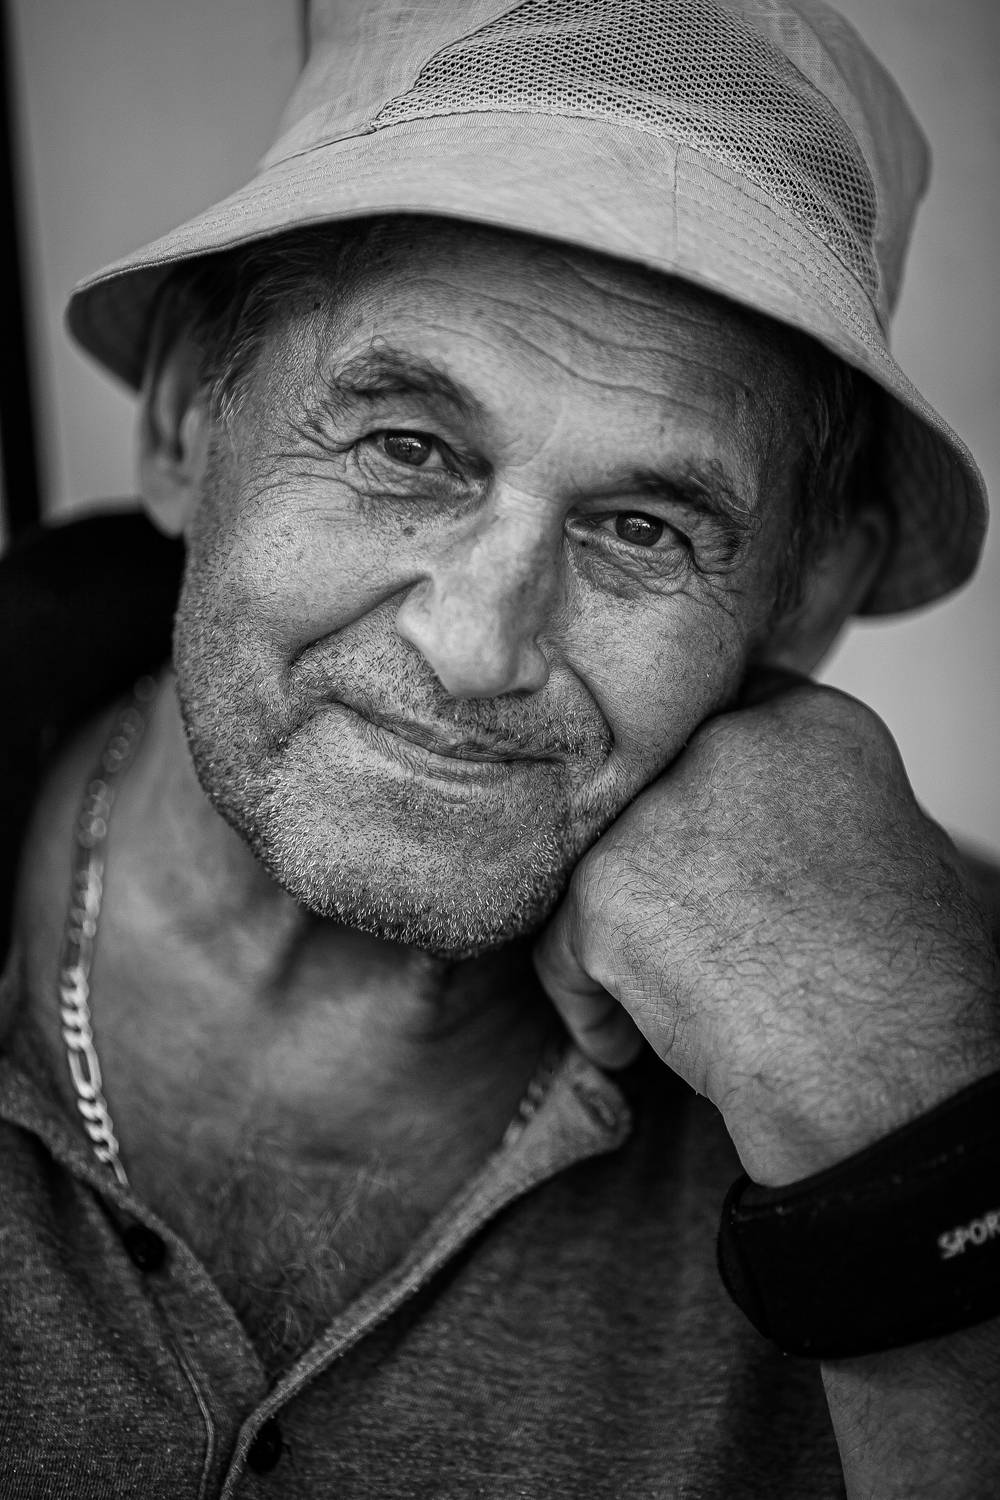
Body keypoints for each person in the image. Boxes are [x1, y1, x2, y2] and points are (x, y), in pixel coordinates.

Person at [2, 1, 998, 1495]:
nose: (478, 646)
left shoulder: (955, 1051)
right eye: (406, 449)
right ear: (184, 425)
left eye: (642, 529)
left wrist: (904, 1149)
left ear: (806, 600)